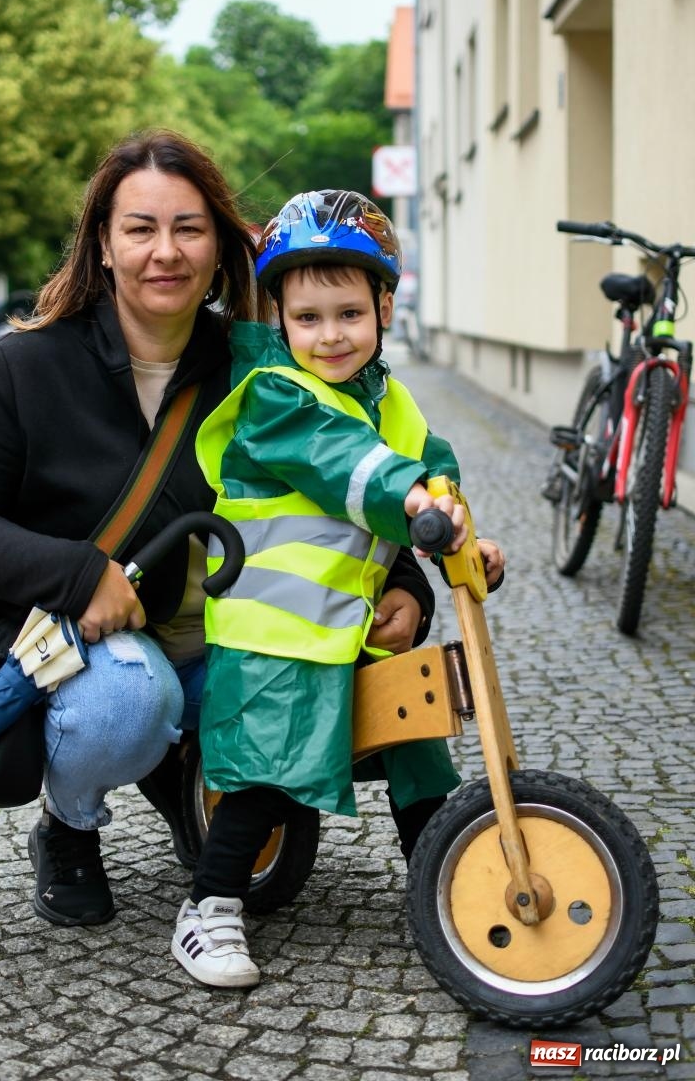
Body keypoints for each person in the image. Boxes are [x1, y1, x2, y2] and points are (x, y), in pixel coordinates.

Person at [0, 134, 439, 928]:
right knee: (128, 700)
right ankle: (70, 825)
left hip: (236, 636)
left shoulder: (263, 365)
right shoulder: (27, 365)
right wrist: (79, 575)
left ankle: (193, 771)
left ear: (220, 245)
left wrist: (405, 583)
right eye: (140, 229)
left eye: (189, 228)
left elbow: (333, 479)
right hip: (96, 644)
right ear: (103, 243)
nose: (166, 251)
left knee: (379, 688)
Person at [170, 189, 505, 988]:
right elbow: (346, 464)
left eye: (349, 314)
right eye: (308, 318)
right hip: (275, 634)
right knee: (264, 776)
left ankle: (443, 882)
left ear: (383, 309)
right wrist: (413, 499)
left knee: (420, 745)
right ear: (280, 318)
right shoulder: (274, 396)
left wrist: (463, 530)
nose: (329, 336)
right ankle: (208, 909)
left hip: (352, 627)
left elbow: (430, 464)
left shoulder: (391, 400)